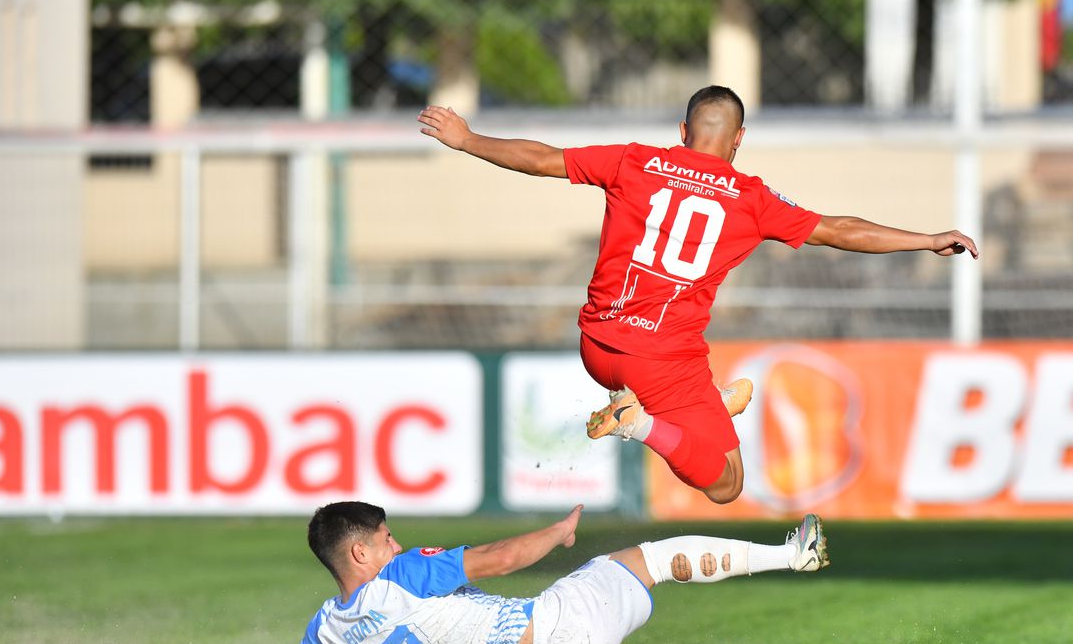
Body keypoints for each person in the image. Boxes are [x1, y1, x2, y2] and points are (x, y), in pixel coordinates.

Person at [417, 87, 980, 505]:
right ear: (739, 140)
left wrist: (466, 139)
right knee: (727, 483)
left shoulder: (634, 160)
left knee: (694, 388)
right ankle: (636, 422)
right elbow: (838, 229)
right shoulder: (751, 198)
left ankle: (696, 403)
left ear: (682, 131)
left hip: (597, 345)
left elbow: (542, 159)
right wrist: (927, 239)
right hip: (660, 362)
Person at [282, 500, 829, 644]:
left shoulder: (326, 634)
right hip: (554, 633)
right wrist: (558, 533)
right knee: (648, 560)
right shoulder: (401, 576)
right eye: (385, 538)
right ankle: (793, 553)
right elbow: (497, 558)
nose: (395, 546)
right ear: (360, 552)